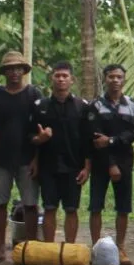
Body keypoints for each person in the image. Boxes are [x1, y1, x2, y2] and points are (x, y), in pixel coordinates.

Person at [0, 51, 43, 261]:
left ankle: (30, 246)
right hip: (0, 159)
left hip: (27, 158)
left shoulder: (34, 95)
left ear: (24, 71)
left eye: (18, 68)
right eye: (10, 69)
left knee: (30, 204)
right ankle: (0, 248)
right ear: (4, 72)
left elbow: (40, 130)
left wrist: (37, 159)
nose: (14, 72)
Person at [85, 63, 134, 265]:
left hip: (125, 161)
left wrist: (113, 140)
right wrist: (110, 163)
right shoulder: (96, 106)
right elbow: (96, 137)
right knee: (96, 206)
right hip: (101, 162)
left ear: (123, 79)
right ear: (104, 79)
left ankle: (121, 247)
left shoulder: (132, 105)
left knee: (123, 207)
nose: (115, 80)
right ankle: (95, 248)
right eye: (111, 77)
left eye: (118, 77)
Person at [30, 61, 89, 244]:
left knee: (71, 209)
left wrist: (87, 167)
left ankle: (69, 247)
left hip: (73, 165)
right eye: (57, 76)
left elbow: (88, 140)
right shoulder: (40, 106)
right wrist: (38, 146)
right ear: (51, 79)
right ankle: (49, 248)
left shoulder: (82, 106)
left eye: (65, 76)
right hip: (48, 165)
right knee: (49, 207)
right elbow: (31, 138)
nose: (61, 79)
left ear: (72, 80)